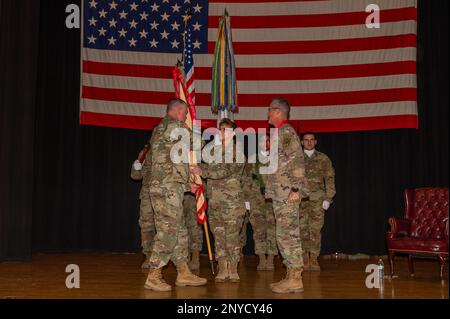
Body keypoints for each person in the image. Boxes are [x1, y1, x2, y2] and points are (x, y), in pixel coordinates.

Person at [144, 98, 207, 291]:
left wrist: (189, 185)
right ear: (177, 111)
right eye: (186, 113)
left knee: (179, 231)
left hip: (169, 187)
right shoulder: (176, 126)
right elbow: (199, 144)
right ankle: (154, 275)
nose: (186, 117)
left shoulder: (160, 129)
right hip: (167, 189)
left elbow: (170, 164)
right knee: (168, 231)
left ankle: (183, 272)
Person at [262, 97, 309, 294]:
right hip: (280, 193)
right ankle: (291, 275)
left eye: (270, 110)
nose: (268, 113)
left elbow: (297, 161)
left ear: (278, 112)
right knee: (283, 235)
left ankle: (296, 278)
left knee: (288, 235)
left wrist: (296, 189)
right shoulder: (279, 133)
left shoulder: (286, 132)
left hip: (288, 193)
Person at [191, 118, 246, 283]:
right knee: (219, 235)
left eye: (226, 130)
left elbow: (225, 170)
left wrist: (203, 171)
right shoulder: (213, 151)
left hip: (232, 202)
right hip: (215, 200)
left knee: (232, 235)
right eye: (220, 129)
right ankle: (222, 267)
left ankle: (233, 268)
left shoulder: (237, 151)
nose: (222, 133)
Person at [299, 132, 336, 271]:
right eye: (306, 140)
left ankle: (313, 259)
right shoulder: (296, 158)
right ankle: (303, 257)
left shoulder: (323, 158)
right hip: (299, 200)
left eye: (311, 140)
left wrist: (328, 198)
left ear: (315, 142)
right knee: (301, 230)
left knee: (315, 230)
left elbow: (330, 179)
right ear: (301, 142)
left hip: (317, 200)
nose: (309, 142)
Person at [239, 156, 278, 271]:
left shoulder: (276, 160)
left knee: (273, 231)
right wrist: (246, 200)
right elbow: (246, 180)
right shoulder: (252, 161)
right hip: (255, 201)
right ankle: (261, 258)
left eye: (267, 141)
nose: (264, 144)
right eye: (262, 141)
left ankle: (270, 259)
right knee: (258, 231)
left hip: (272, 202)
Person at [130, 142, 156, 268]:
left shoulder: (169, 150)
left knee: (168, 227)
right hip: (147, 196)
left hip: (166, 195)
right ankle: (149, 256)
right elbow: (135, 176)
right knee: (147, 227)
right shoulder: (145, 152)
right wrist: (138, 162)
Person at [184, 192, 204, 271]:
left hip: (193, 193)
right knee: (181, 229)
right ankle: (185, 259)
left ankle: (195, 259)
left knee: (194, 227)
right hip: (176, 192)